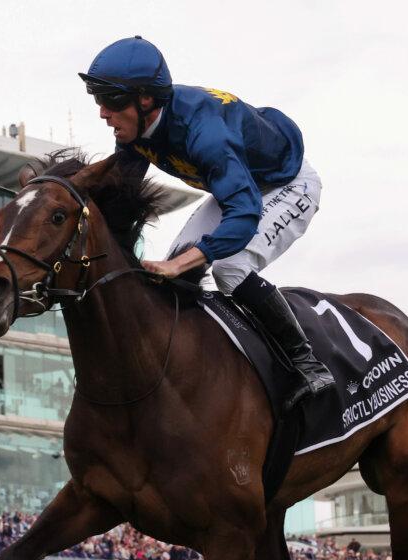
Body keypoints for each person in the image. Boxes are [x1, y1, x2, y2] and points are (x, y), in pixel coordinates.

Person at [80, 36, 335, 411]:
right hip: (238, 185)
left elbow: (244, 213)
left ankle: (307, 365)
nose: (103, 113)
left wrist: (185, 262)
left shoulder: (205, 133)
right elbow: (119, 201)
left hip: (287, 184)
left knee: (229, 267)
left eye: (110, 101)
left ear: (146, 100)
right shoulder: (135, 130)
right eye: (98, 100)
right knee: (170, 276)